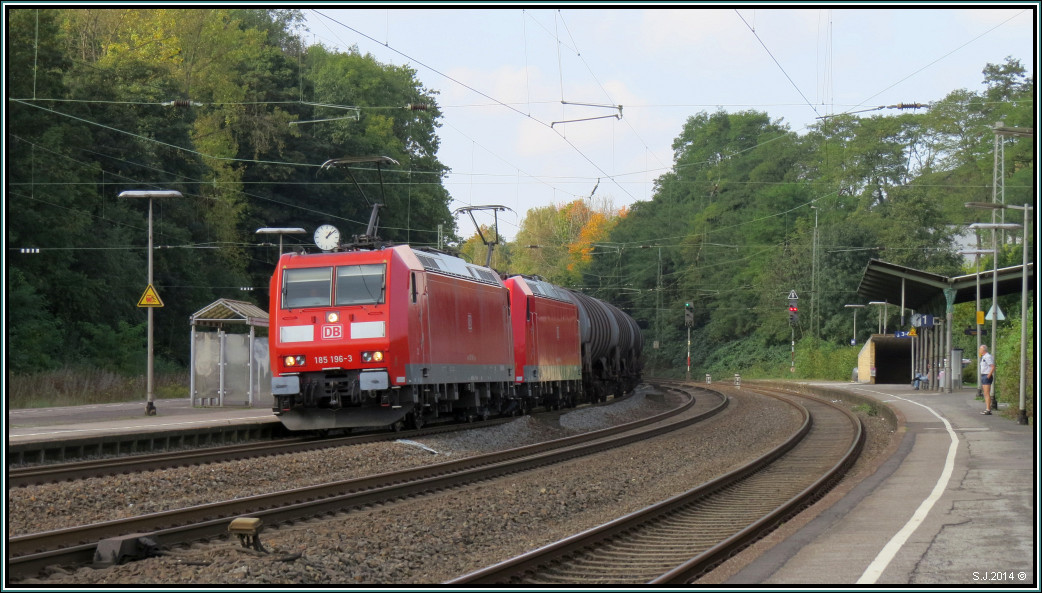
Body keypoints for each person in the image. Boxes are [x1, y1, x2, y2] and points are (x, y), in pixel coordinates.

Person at [979, 344, 995, 415]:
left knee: (987, 393)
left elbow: (992, 366)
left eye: (980, 349)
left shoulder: (988, 357)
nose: (979, 350)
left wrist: (989, 375)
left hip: (986, 375)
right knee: (985, 393)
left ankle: (988, 409)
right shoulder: (983, 357)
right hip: (984, 375)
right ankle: (987, 408)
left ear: (983, 350)